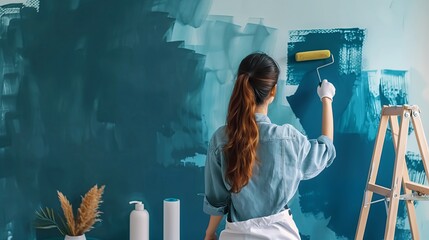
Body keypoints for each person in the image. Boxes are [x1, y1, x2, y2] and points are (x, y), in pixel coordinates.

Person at [203, 52, 336, 240]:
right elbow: (326, 150)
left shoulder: (221, 139)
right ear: (272, 92)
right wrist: (327, 99)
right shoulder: (288, 139)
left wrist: (210, 233)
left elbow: (217, 200)